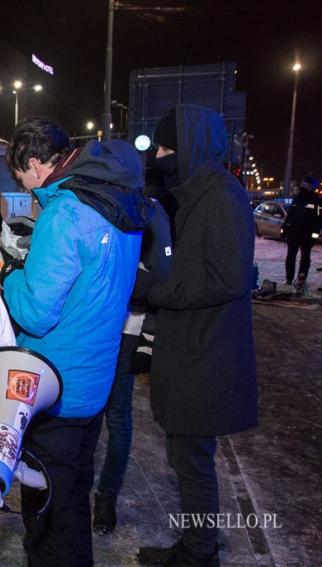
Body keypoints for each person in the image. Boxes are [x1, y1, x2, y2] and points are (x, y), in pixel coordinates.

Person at [0, 118, 153, 566]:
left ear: (33, 164)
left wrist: (8, 275)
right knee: (71, 500)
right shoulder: (117, 202)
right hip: (93, 380)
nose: (24, 189)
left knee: (47, 512)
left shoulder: (65, 212)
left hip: (52, 385)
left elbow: (36, 313)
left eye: (21, 178)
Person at [137, 105, 257, 567]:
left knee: (192, 461)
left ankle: (199, 553)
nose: (161, 157)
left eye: (169, 149)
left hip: (206, 356)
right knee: (187, 458)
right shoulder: (198, 194)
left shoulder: (222, 198)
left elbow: (229, 279)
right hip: (192, 349)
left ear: (195, 148)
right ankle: (197, 547)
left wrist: (158, 292)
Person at [93, 198, 173, 534]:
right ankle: (72, 493)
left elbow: (160, 278)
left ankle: (106, 497)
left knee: (118, 418)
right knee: (82, 416)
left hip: (126, 332)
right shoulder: (97, 206)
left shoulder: (150, 212)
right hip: (90, 329)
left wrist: (148, 337)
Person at [283, 176, 321, 292]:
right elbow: (290, 216)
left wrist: (314, 235)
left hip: (306, 235)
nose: (303, 185)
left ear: (311, 187)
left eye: (306, 184)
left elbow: (319, 219)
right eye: (303, 183)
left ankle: (301, 279)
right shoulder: (297, 198)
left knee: (305, 258)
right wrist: (284, 229)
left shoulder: (316, 201)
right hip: (293, 234)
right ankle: (289, 278)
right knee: (290, 257)